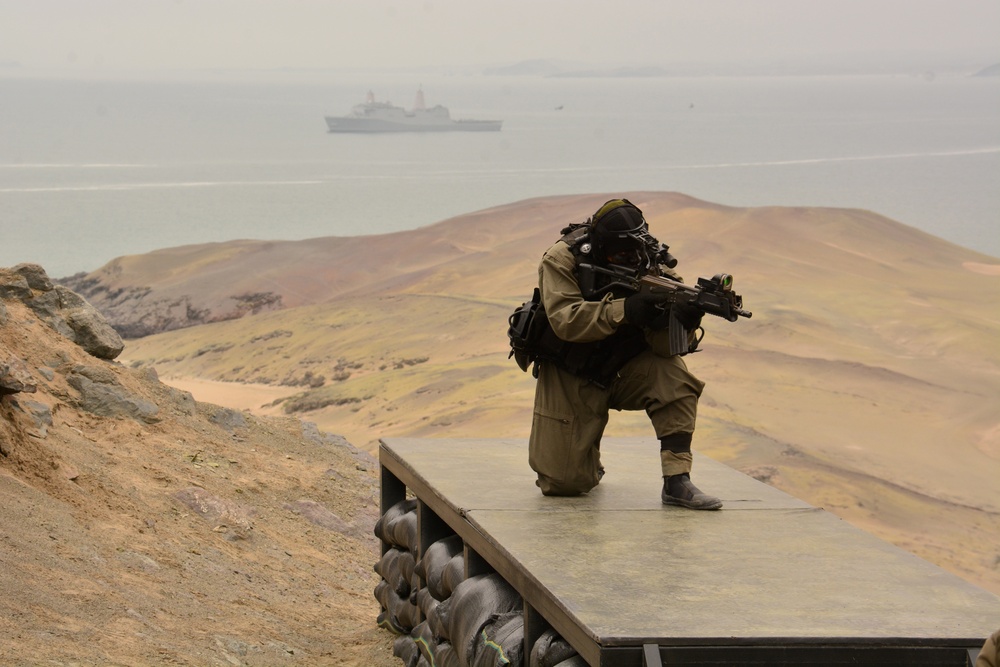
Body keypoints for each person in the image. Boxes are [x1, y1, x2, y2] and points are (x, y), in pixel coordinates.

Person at [526, 198, 722, 509]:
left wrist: (682, 319)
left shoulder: (652, 266)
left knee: (676, 377)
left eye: (635, 252)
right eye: (621, 254)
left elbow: (665, 349)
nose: (631, 259)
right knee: (564, 484)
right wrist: (626, 309)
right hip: (571, 370)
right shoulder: (563, 258)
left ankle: (676, 480)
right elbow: (565, 320)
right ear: (602, 246)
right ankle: (586, 460)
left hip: (626, 369)